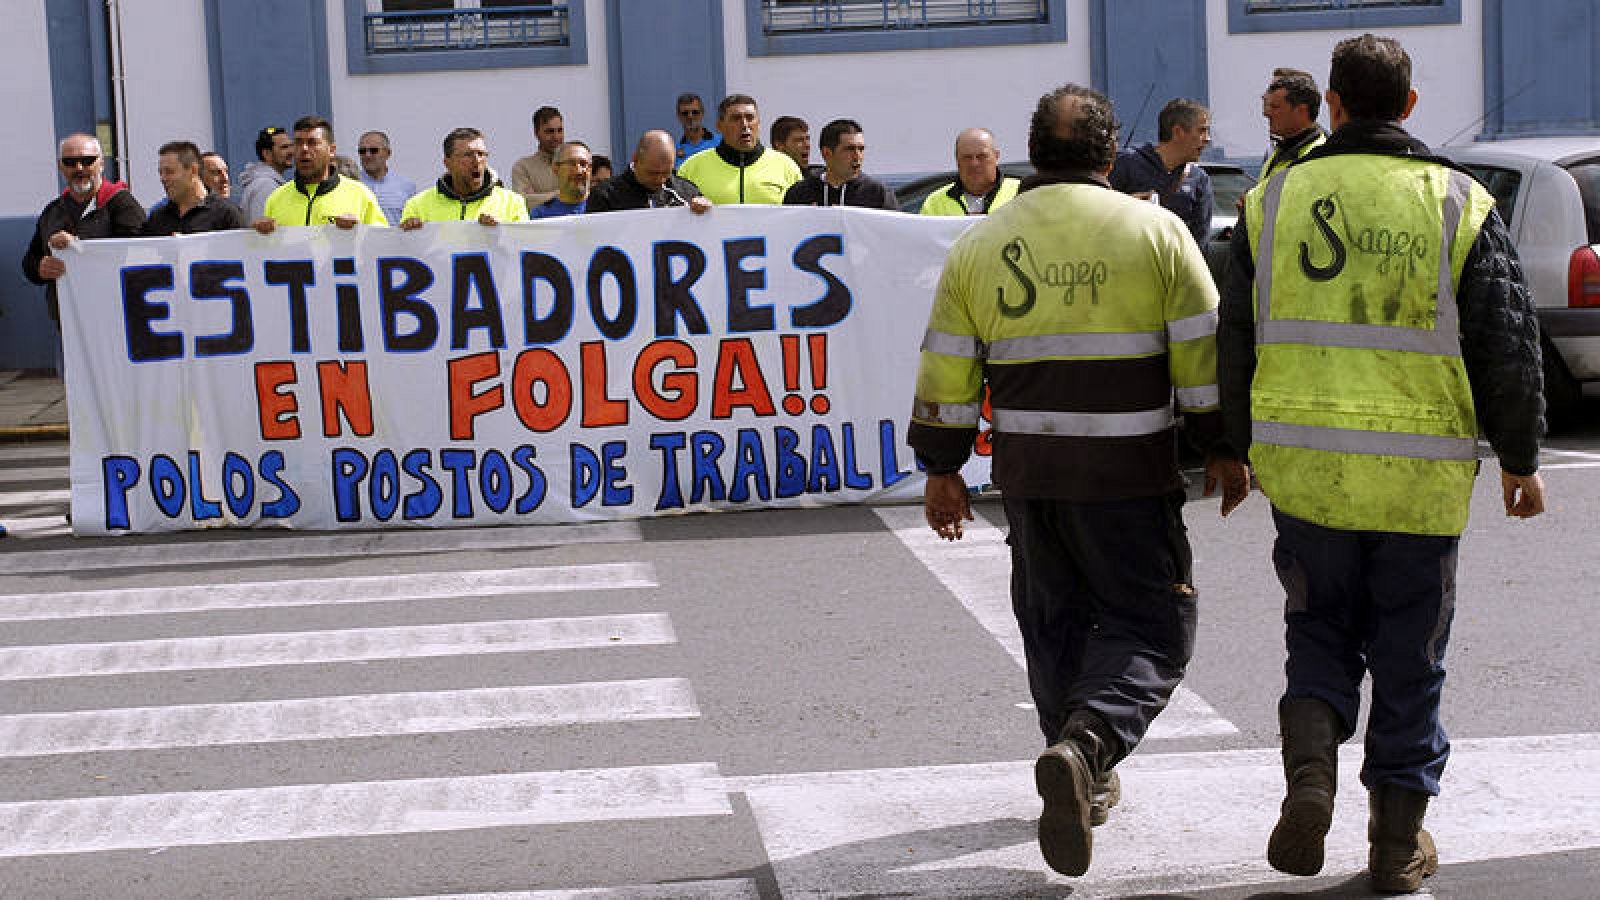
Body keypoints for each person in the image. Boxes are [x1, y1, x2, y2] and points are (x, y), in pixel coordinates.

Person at [1217, 33, 1546, 894]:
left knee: (1318, 632)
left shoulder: (1272, 201)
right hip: (1418, 481)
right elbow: (1506, 344)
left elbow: (1234, 333)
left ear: (1331, 104)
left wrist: (1226, 446)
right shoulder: (1457, 201)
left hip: (1305, 471)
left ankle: (1312, 776)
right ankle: (1396, 844)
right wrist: (1519, 458)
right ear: (1407, 105)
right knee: (1410, 656)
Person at [911, 84, 1248, 878]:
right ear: (1106, 155)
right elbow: (1203, 364)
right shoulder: (1160, 232)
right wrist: (1224, 448)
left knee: (1052, 621)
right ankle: (1089, 745)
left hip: (1030, 476)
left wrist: (942, 469)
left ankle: (1076, 766)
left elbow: (947, 368)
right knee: (1153, 626)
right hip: (1128, 474)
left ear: (1033, 154)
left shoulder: (980, 243)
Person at [22, 133, 145, 349]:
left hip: (118, 324)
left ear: (101, 164)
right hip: (69, 327)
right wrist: (39, 267)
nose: (79, 168)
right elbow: (30, 261)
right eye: (70, 162)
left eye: (88, 161)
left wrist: (78, 245)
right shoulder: (52, 212)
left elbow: (136, 252)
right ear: (61, 167)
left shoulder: (123, 205)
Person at [254, 116, 387, 232]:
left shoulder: (360, 195)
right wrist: (258, 235)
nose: (304, 149)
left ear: (331, 150)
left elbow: (381, 245)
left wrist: (359, 231)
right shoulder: (276, 198)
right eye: (298, 143)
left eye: (312, 143)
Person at [1109, 99, 1214, 247]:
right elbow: (1100, 214)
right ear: (1178, 132)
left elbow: (1200, 243)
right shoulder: (1127, 163)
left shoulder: (1200, 180)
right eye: (1202, 130)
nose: (1208, 139)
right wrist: (1128, 204)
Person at [677, 94, 802, 205]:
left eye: (750, 117)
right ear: (719, 126)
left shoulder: (786, 166)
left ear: (758, 123)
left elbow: (800, 217)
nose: (745, 124)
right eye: (736, 118)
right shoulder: (691, 168)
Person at [398, 127, 528, 228]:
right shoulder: (417, 205)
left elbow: (524, 251)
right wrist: (411, 235)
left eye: (481, 154)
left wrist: (501, 233)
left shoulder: (512, 203)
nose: (477, 161)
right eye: (468, 155)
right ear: (448, 163)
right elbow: (404, 252)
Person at [783, 118, 898, 209]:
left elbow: (894, 234)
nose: (857, 156)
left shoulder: (878, 194)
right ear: (827, 153)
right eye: (850, 149)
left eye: (861, 149)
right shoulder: (799, 193)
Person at [586, 130, 712, 214]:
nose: (659, 180)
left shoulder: (686, 192)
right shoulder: (605, 196)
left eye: (665, 173)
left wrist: (707, 212)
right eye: (652, 173)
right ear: (635, 159)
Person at [142, 140, 246, 235]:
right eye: (160, 173)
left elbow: (243, 253)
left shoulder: (227, 214)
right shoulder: (157, 218)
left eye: (169, 172)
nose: (163, 179)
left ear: (193, 170)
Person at [917, 127, 1019, 216]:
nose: (974, 163)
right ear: (957, 160)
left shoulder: (1021, 192)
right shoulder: (935, 202)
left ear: (996, 156)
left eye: (981, 156)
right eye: (967, 157)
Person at [1261, 68, 1326, 180]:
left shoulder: (1318, 155)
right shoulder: (1278, 151)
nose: (1266, 113)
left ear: (1301, 110)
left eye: (1275, 107)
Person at [356, 130, 417, 226]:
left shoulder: (406, 186)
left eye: (373, 150)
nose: (367, 155)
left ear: (388, 153)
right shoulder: (352, 184)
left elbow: (413, 221)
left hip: (396, 240)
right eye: (362, 151)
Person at [511, 106, 564, 209]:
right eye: (550, 131)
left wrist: (538, 198)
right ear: (536, 133)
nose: (556, 137)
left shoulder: (575, 163)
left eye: (560, 130)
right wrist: (561, 195)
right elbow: (521, 202)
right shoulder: (523, 167)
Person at [236, 125, 292, 221]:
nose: (291, 151)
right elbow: (263, 232)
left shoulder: (268, 183)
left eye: (291, 146)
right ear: (267, 154)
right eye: (284, 147)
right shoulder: (265, 186)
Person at [530, 141, 593, 219]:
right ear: (556, 168)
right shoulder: (541, 214)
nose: (578, 171)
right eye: (571, 164)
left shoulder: (605, 206)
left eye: (583, 164)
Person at [674, 93, 717, 165]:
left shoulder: (720, 143)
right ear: (679, 116)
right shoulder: (674, 152)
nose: (690, 116)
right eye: (685, 113)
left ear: (702, 113)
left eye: (695, 112)